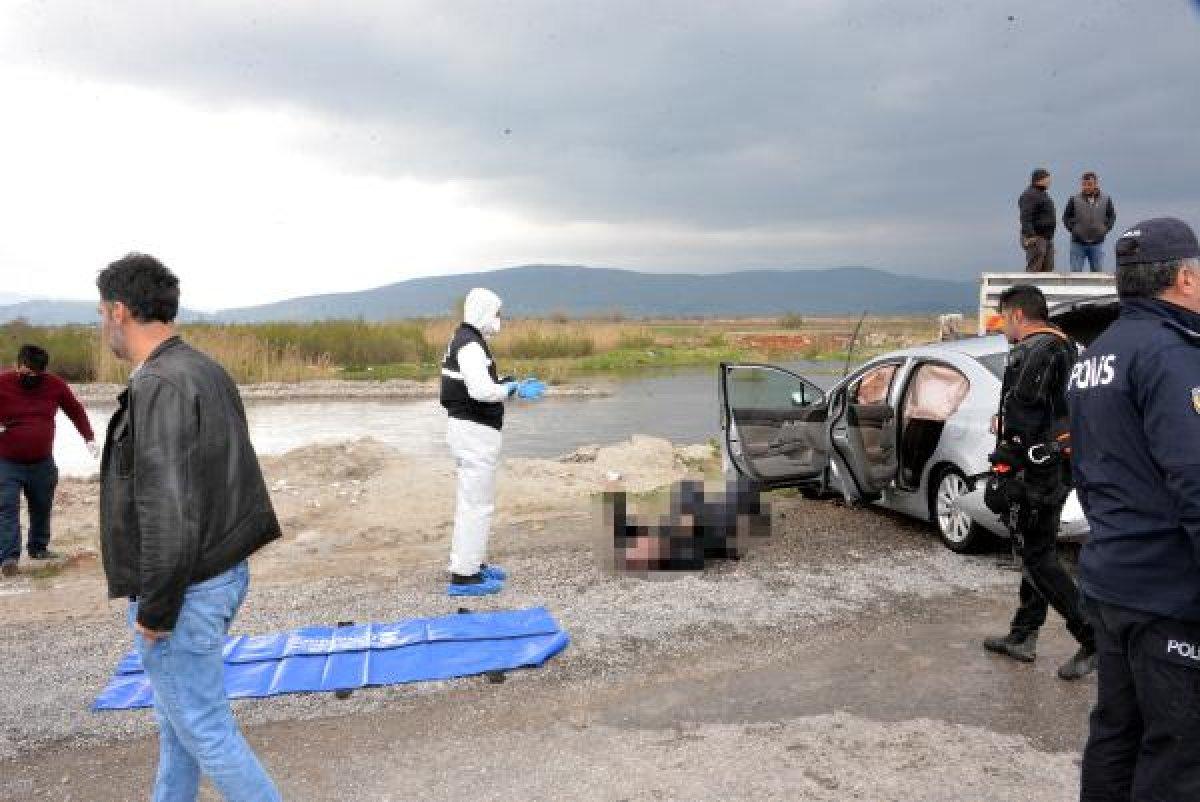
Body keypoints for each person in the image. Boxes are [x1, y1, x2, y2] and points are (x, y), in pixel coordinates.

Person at [97, 253, 282, 801]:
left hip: (185, 590)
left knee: (204, 729)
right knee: (178, 729)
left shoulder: (162, 384)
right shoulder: (202, 368)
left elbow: (167, 508)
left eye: (101, 310)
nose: (100, 322)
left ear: (120, 312)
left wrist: (156, 609)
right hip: (216, 573)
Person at [1068, 218, 1200, 799]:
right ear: (1185, 278)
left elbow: (1091, 471)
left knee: (1116, 734)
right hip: (1167, 593)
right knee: (1178, 752)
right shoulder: (1173, 355)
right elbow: (1195, 477)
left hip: (1112, 579)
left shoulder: (1097, 354)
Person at [982, 284, 1096, 680]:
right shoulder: (1068, 348)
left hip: (1038, 473)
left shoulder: (1036, 351)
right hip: (1055, 464)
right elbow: (1052, 411)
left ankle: (1091, 634)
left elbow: (1025, 418)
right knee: (1035, 547)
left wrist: (1005, 464)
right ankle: (1023, 635)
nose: (1002, 330)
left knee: (1038, 555)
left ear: (1016, 316)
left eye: (1002, 321)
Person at [440, 288, 520, 596]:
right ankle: (464, 575)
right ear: (484, 312)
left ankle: (472, 563)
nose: (499, 319)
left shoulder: (465, 339)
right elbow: (481, 392)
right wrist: (510, 390)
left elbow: (481, 384)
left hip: (470, 431)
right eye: (497, 313)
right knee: (477, 505)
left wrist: (502, 383)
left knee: (473, 503)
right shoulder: (471, 346)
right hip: (474, 432)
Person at [0, 344, 97, 576]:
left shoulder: (54, 384)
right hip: (6, 461)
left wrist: (89, 438)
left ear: (43, 371)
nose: (31, 378)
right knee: (6, 508)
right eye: (26, 373)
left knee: (42, 506)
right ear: (17, 366)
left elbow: (75, 409)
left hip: (42, 461)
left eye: (36, 374)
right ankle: (8, 558)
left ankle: (38, 548)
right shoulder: (2, 383)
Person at [1063, 172, 1117, 273]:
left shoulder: (1106, 199)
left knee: (1097, 273)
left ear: (1096, 184)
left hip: (1097, 243)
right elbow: (1066, 217)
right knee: (1076, 273)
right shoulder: (1074, 199)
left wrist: (1105, 229)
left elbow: (1112, 216)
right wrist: (1073, 230)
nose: (1086, 187)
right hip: (1077, 243)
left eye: (1089, 184)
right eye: (1084, 184)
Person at [1019, 168, 1057, 272]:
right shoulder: (1030, 194)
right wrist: (1031, 236)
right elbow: (1025, 217)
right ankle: (1029, 288)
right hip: (1036, 237)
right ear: (1039, 179)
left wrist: (1049, 240)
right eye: (1047, 179)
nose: (1049, 181)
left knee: (1048, 270)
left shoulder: (1042, 193)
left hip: (1046, 238)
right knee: (1035, 268)